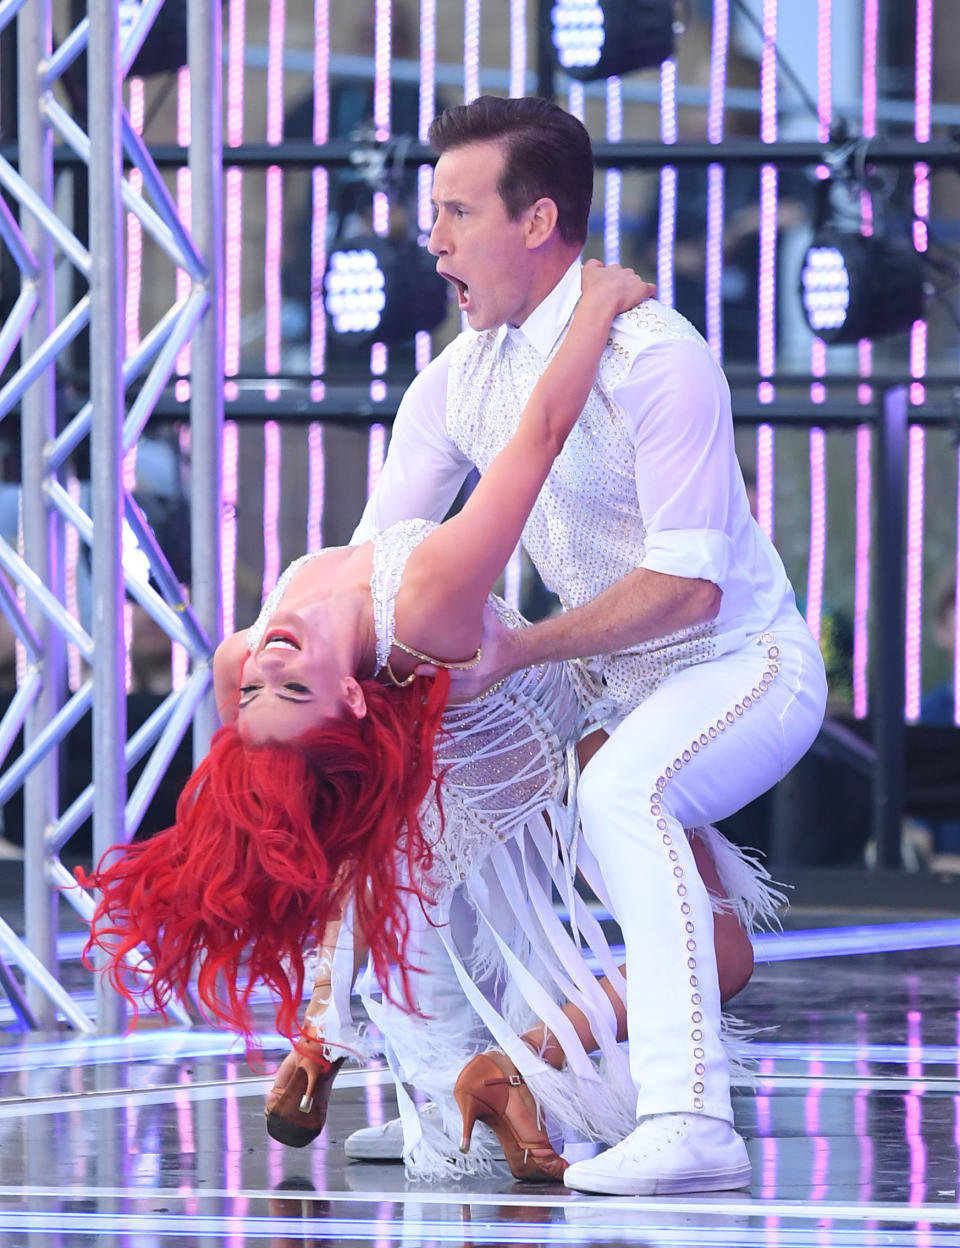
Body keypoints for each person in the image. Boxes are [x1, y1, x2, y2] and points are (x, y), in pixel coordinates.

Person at [83, 262, 763, 1178]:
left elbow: (272, 780)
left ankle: (394, 1063)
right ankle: (492, 1075)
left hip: (468, 756)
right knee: (704, 953)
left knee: (376, 867)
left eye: (260, 694)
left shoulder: (241, 653)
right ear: (354, 697)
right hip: (516, 754)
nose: (269, 665)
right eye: (291, 688)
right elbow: (538, 439)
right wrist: (595, 309)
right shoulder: (431, 602)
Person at [345, 94, 828, 1196]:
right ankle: (455, 1095)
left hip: (744, 669)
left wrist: (518, 654)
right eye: (433, 213)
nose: (435, 241)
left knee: (621, 797)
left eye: (456, 213)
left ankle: (690, 1121)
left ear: (537, 220)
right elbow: (380, 561)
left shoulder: (659, 357)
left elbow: (693, 587)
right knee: (443, 799)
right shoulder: (455, 381)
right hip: (608, 696)